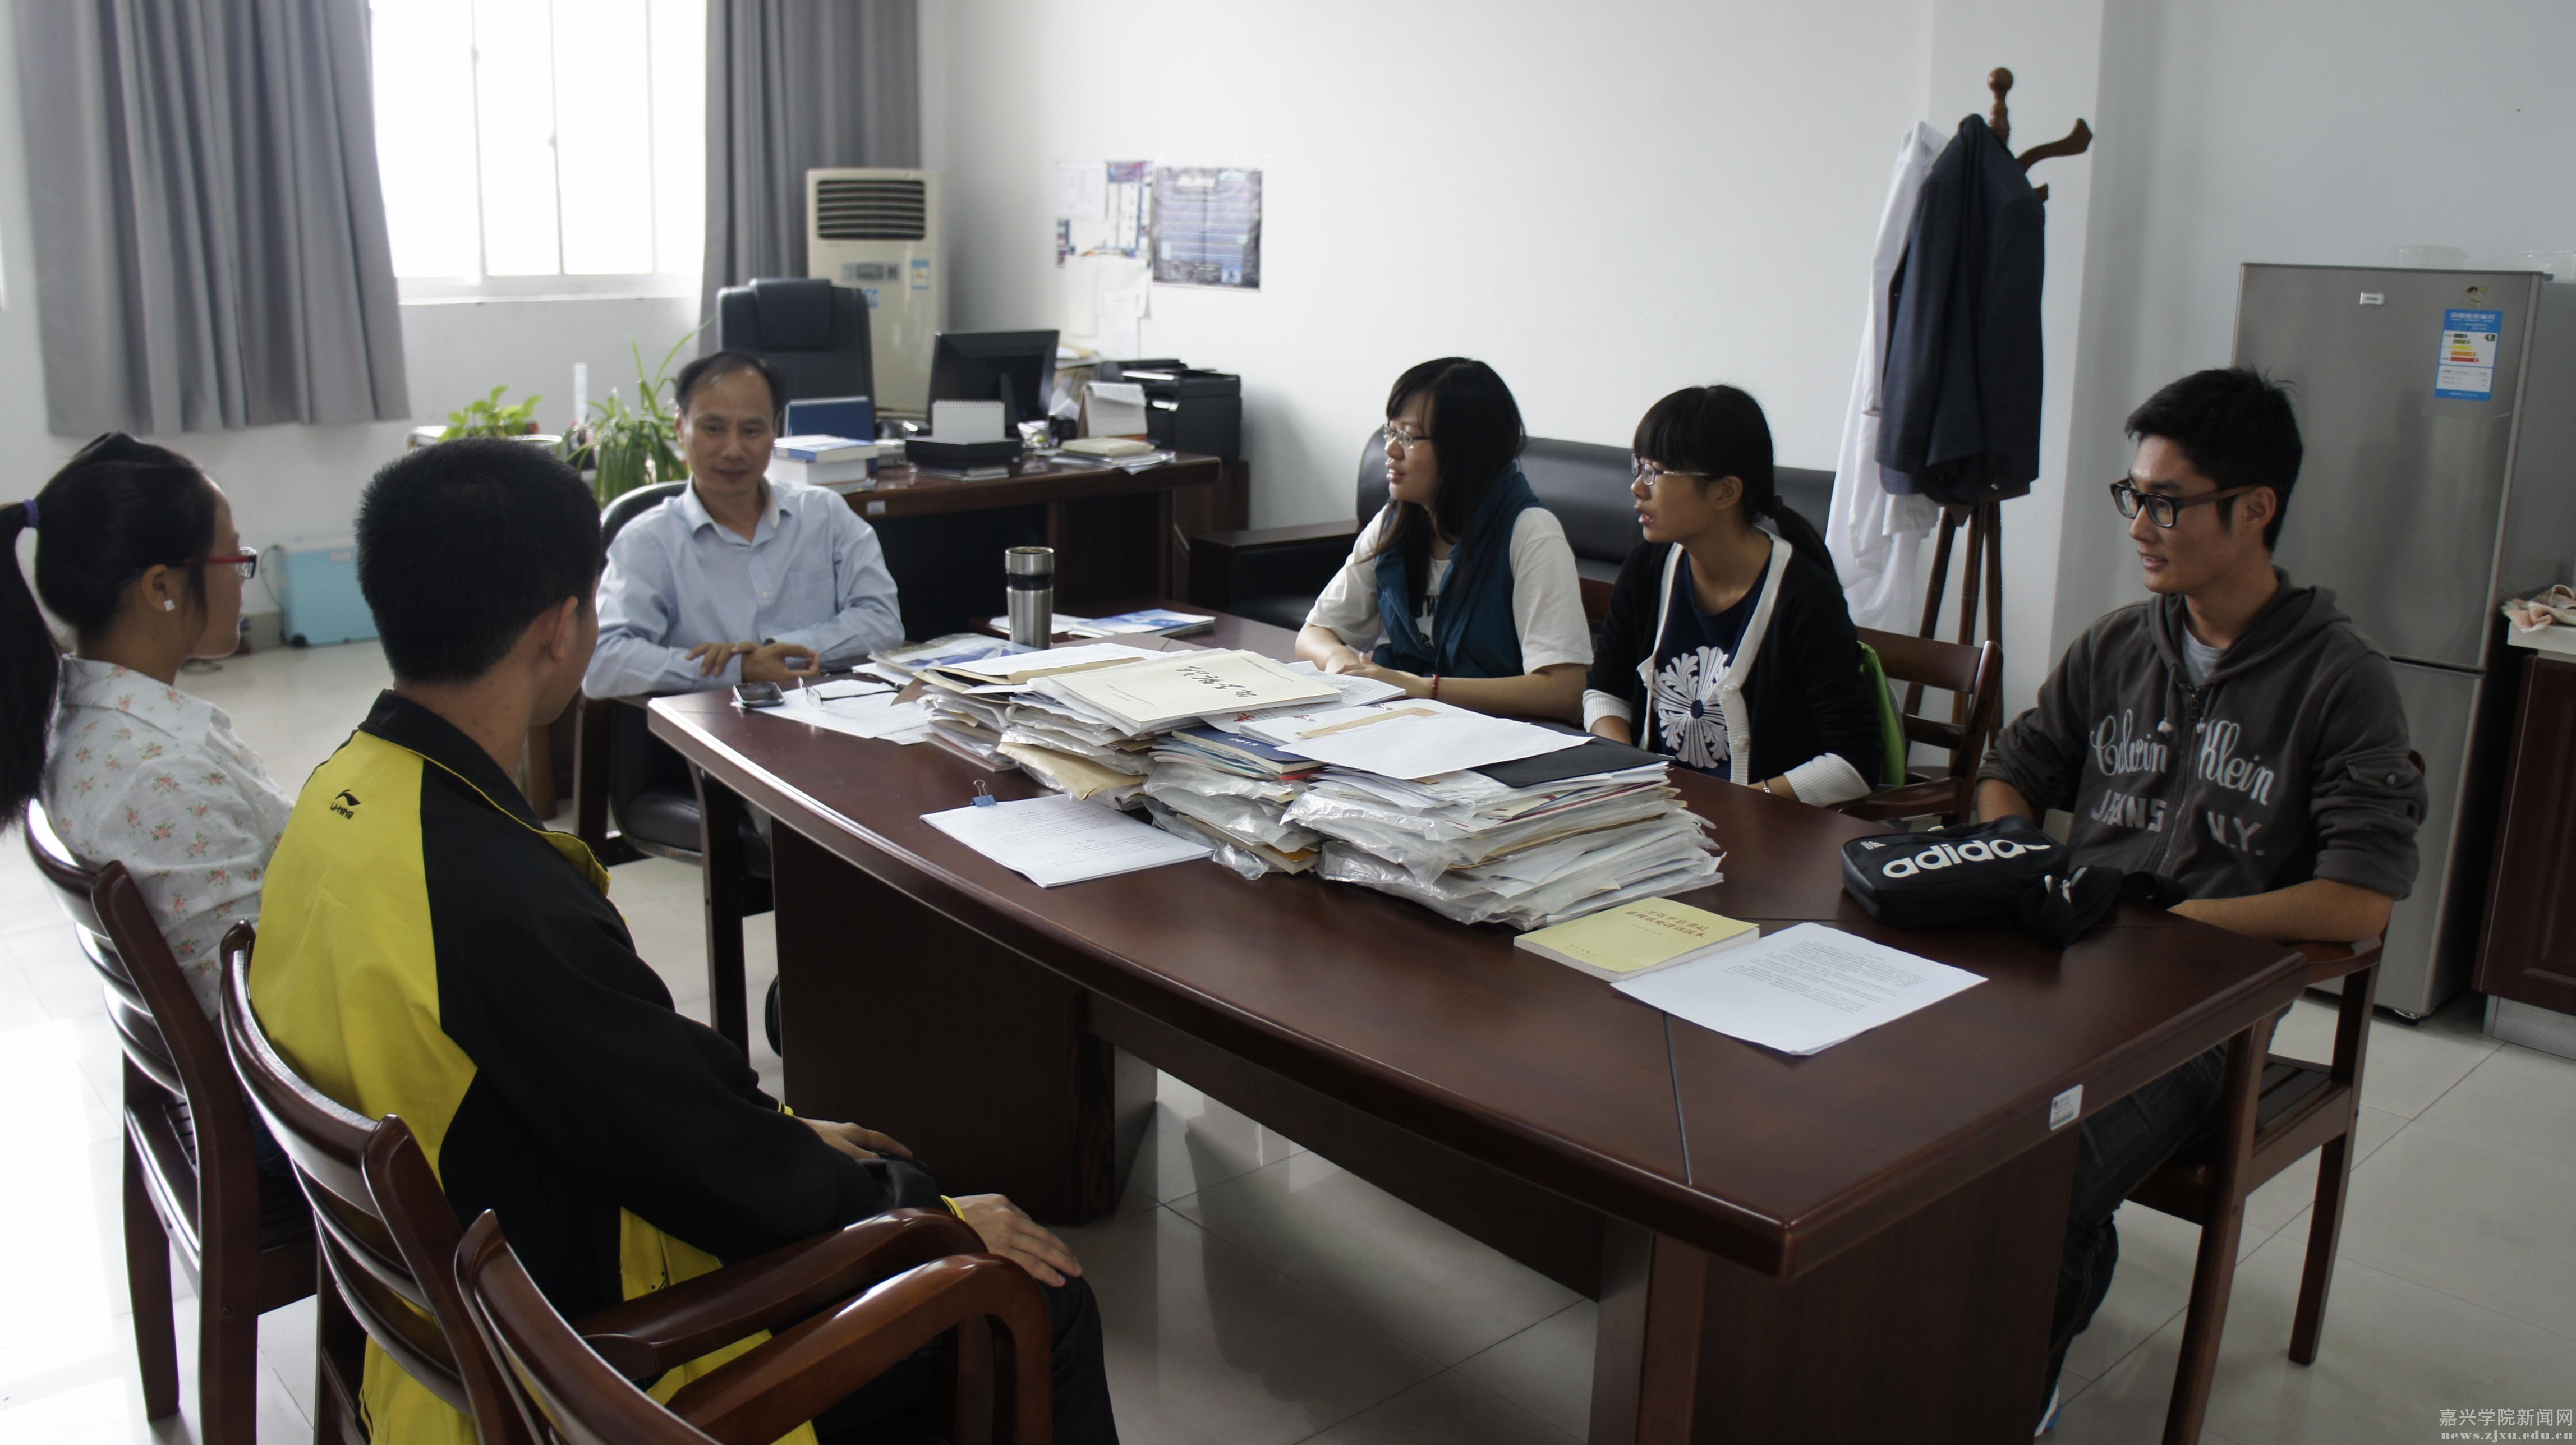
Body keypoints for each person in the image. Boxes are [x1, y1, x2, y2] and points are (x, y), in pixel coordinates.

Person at [249, 439, 1117, 1444]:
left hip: (458, 1293)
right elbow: (703, 1165)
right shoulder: (500, 903)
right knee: (1031, 1302)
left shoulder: (340, 794)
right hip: (581, 1368)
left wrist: (771, 1126)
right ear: (561, 628)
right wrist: (929, 1211)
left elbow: (630, 1091)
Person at [1974, 368, 2425, 1432]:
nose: (2141, 526)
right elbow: (2011, 768)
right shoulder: (2118, 645)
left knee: (2051, 1173)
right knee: (1905, 1114)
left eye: (2168, 504)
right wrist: (2018, 855)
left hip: (2206, 1016)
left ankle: (2005, 1393)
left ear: (2255, 509)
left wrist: (2164, 924)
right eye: (2133, 497)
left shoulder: (2339, 680)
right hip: (2061, 964)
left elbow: (2360, 902)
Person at [1, 433, 290, 1018]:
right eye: (233, 559)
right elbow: (257, 1007)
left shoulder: (89, 722)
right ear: (161, 587)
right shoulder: (159, 775)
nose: (242, 578)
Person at [1583, 385, 1885, 803]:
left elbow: (1855, 762)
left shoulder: (1806, 596)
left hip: (1759, 824)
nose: (1637, 487)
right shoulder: (1647, 568)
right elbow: (1605, 692)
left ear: (1725, 492)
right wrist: (1630, 772)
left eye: (1656, 472)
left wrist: (1740, 806)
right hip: (1653, 811)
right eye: (1638, 467)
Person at [584, 349, 901, 698]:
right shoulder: (647, 542)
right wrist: (738, 668)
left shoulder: (825, 514)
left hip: (830, 712)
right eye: (714, 429)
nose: (733, 450)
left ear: (775, 431)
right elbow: (604, 662)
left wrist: (776, 651)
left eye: (751, 430)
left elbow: (883, 623)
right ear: (681, 428)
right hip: (709, 722)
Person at [1296, 357, 1591, 719]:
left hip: (1500, 733)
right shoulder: (1395, 521)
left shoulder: (1532, 533)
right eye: (1390, 432)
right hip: (1406, 722)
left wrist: (1426, 688)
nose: (1390, 450)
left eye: (1408, 437)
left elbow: (1564, 690)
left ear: (1465, 448)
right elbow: (1314, 633)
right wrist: (1340, 661)